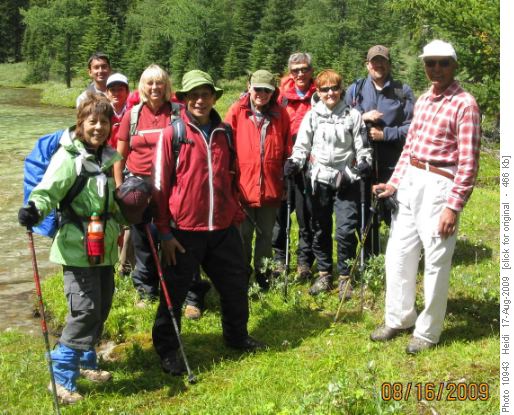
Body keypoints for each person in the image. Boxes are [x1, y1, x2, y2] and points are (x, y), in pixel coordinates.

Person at [370, 40, 481, 354]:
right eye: (430, 63)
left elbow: (469, 162)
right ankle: (399, 317)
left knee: (435, 260)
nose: (436, 69)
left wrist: (453, 206)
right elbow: (409, 148)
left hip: (440, 183)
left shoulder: (465, 104)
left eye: (442, 63)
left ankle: (428, 332)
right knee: (398, 254)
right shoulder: (423, 100)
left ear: (453, 65)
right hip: (412, 180)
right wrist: (394, 183)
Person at [152, 70, 265, 375]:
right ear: (184, 100)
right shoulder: (172, 135)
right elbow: (160, 188)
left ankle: (236, 337)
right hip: (183, 232)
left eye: (205, 94)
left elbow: (231, 177)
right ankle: (168, 350)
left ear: (215, 97)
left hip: (223, 229)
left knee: (235, 285)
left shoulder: (225, 133)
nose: (199, 101)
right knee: (173, 295)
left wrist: (236, 214)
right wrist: (164, 233)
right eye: (193, 96)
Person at [18, 93, 125, 404]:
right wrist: (34, 210)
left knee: (101, 307)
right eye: (92, 121)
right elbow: (47, 190)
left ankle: (85, 361)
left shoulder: (106, 159)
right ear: (81, 123)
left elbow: (111, 201)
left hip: (103, 246)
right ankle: (60, 377)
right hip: (76, 247)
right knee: (84, 310)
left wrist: (132, 212)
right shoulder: (68, 157)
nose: (99, 127)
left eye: (104, 121)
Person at [284, 69, 372, 296]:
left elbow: (363, 148)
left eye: (334, 88)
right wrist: (294, 162)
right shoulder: (312, 116)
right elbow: (302, 146)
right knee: (319, 229)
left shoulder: (353, 116)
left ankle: (345, 277)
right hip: (318, 179)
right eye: (325, 89)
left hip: (347, 179)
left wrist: (362, 164)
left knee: (344, 229)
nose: (330, 93)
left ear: (341, 89)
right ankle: (324, 274)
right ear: (319, 92)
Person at [344, 45, 415, 256]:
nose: (378, 65)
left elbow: (414, 127)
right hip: (362, 163)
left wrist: (386, 134)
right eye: (374, 61)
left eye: (382, 61)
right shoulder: (354, 90)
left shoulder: (403, 91)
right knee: (366, 213)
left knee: (399, 212)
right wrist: (362, 118)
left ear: (389, 64)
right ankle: (371, 255)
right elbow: (342, 121)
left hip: (394, 163)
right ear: (367, 65)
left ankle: (402, 256)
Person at [225, 70, 291, 290]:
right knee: (242, 236)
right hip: (242, 188)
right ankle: (240, 276)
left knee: (265, 236)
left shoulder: (282, 115)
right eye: (257, 89)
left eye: (267, 90)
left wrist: (285, 178)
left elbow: (286, 150)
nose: (261, 93)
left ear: (273, 92)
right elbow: (225, 147)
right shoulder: (237, 111)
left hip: (271, 186)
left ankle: (263, 277)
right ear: (249, 87)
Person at [114, 64, 175, 303]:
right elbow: (118, 158)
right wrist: (120, 190)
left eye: (159, 82)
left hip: (171, 185)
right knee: (143, 241)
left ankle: (172, 286)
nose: (154, 87)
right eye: (149, 83)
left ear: (166, 86)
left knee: (169, 235)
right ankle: (146, 291)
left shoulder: (177, 112)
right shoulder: (133, 115)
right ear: (142, 87)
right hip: (138, 186)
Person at [272, 52, 316, 282]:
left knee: (305, 214)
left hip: (310, 165)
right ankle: (279, 259)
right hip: (284, 163)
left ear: (311, 70)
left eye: (305, 68)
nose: (300, 73)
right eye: (296, 70)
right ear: (290, 72)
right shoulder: (280, 96)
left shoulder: (320, 94)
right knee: (280, 215)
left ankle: (304, 262)